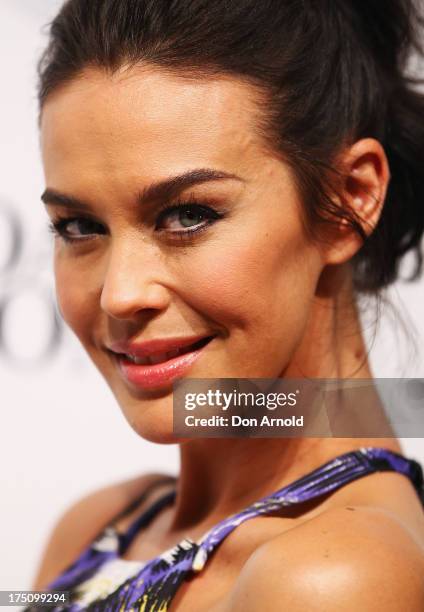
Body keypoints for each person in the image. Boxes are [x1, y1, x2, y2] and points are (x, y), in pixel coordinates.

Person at [27, 0, 424, 610]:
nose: (120, 293)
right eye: (79, 226)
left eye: (188, 215)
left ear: (351, 200)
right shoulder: (101, 526)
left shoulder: (334, 577)